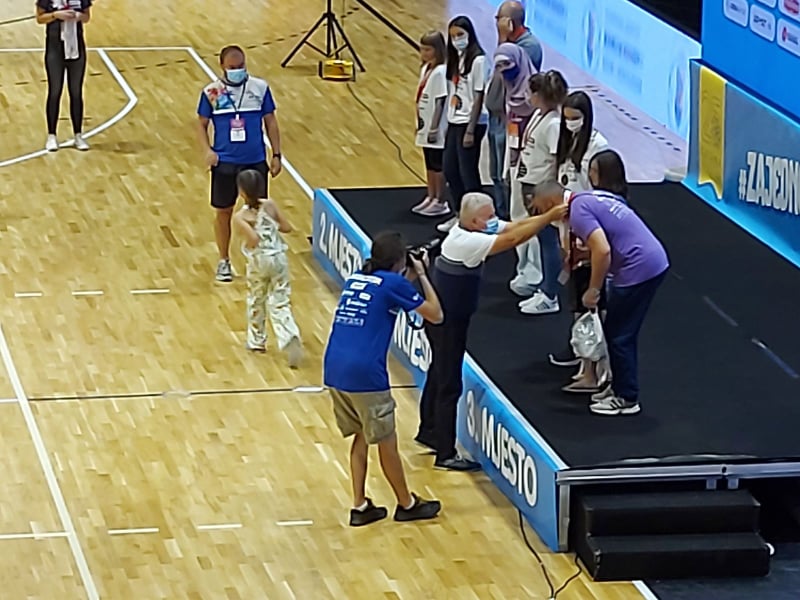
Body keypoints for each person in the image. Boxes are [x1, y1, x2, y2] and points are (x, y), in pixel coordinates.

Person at [416, 192, 568, 469]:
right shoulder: (467, 242)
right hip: (448, 323)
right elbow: (513, 239)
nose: (494, 220)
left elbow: (513, 227)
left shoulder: (470, 227)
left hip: (447, 317)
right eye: (489, 216)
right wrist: (549, 217)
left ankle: (429, 431)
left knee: (438, 372)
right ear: (475, 221)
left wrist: (545, 218)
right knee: (449, 383)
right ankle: (445, 453)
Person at [323, 232, 443, 526]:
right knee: (387, 442)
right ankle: (406, 503)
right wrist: (423, 275)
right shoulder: (394, 283)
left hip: (334, 368)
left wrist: (407, 276)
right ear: (400, 261)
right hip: (365, 373)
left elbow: (388, 292)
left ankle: (360, 505)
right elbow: (435, 314)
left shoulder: (357, 278)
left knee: (361, 435)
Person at [533, 171, 670, 416]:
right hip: (650, 259)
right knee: (617, 331)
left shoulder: (577, 212)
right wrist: (586, 255)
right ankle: (618, 387)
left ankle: (626, 397)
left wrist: (593, 289)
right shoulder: (590, 197)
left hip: (637, 269)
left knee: (619, 335)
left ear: (552, 203)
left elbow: (603, 250)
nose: (544, 216)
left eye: (543, 210)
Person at [196, 45, 283, 284]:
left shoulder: (259, 88)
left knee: (259, 213)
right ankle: (224, 260)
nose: (237, 70)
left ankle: (261, 260)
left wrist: (276, 155)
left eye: (241, 66)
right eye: (232, 67)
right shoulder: (212, 93)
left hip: (254, 161)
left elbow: (271, 122)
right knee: (224, 211)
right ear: (222, 66)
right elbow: (201, 124)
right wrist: (207, 151)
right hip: (225, 162)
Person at [553, 92, 610, 393]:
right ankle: (581, 358)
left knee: (591, 303)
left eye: (575, 118)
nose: (569, 123)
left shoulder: (598, 147)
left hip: (589, 231)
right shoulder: (567, 142)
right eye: (566, 118)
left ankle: (594, 367)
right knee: (575, 299)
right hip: (569, 228)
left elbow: (602, 194)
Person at [232, 170, 303, 368]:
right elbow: (286, 227)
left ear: (241, 192)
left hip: (259, 261)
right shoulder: (270, 205)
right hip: (279, 257)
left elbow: (253, 239)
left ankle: (257, 340)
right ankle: (289, 334)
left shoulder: (241, 217)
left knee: (257, 298)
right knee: (280, 299)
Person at [513, 70, 568, 316]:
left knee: (548, 240)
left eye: (531, 92)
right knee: (540, 237)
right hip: (529, 183)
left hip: (542, 188)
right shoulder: (538, 115)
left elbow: (557, 159)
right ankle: (544, 286)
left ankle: (550, 294)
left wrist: (550, 192)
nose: (528, 96)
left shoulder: (553, 124)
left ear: (540, 95)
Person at [485, 0, 543, 219]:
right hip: (497, 115)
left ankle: (510, 217)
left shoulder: (528, 46)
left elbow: (508, 78)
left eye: (499, 18)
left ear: (509, 22)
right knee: (495, 172)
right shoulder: (509, 44)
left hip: (512, 118)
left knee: (507, 173)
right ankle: (500, 216)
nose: (496, 23)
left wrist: (502, 39)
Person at [438, 16, 488, 233]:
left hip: (470, 123)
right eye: (453, 36)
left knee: (468, 173)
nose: (456, 40)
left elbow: (479, 96)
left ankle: (479, 217)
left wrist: (470, 130)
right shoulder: (455, 58)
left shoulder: (478, 61)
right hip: (454, 120)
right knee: (450, 169)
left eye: (460, 35)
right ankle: (460, 213)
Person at [36, 0, 92, 152]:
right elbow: (40, 18)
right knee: (55, 91)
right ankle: (52, 135)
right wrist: (55, 15)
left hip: (76, 48)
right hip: (55, 49)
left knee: (76, 92)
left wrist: (78, 16)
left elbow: (87, 17)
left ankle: (78, 135)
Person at [492, 43, 536, 216]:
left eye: (506, 64)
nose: (504, 69)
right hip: (514, 154)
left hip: (532, 161)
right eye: (499, 66)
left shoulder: (534, 91)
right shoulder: (508, 89)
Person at [411, 31, 450, 218]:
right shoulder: (426, 68)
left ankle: (440, 200)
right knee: (428, 163)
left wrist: (434, 127)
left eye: (428, 49)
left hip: (436, 126)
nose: (424, 53)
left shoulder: (441, 71)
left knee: (437, 164)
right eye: (422, 49)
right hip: (424, 122)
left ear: (438, 50)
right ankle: (431, 195)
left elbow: (441, 100)